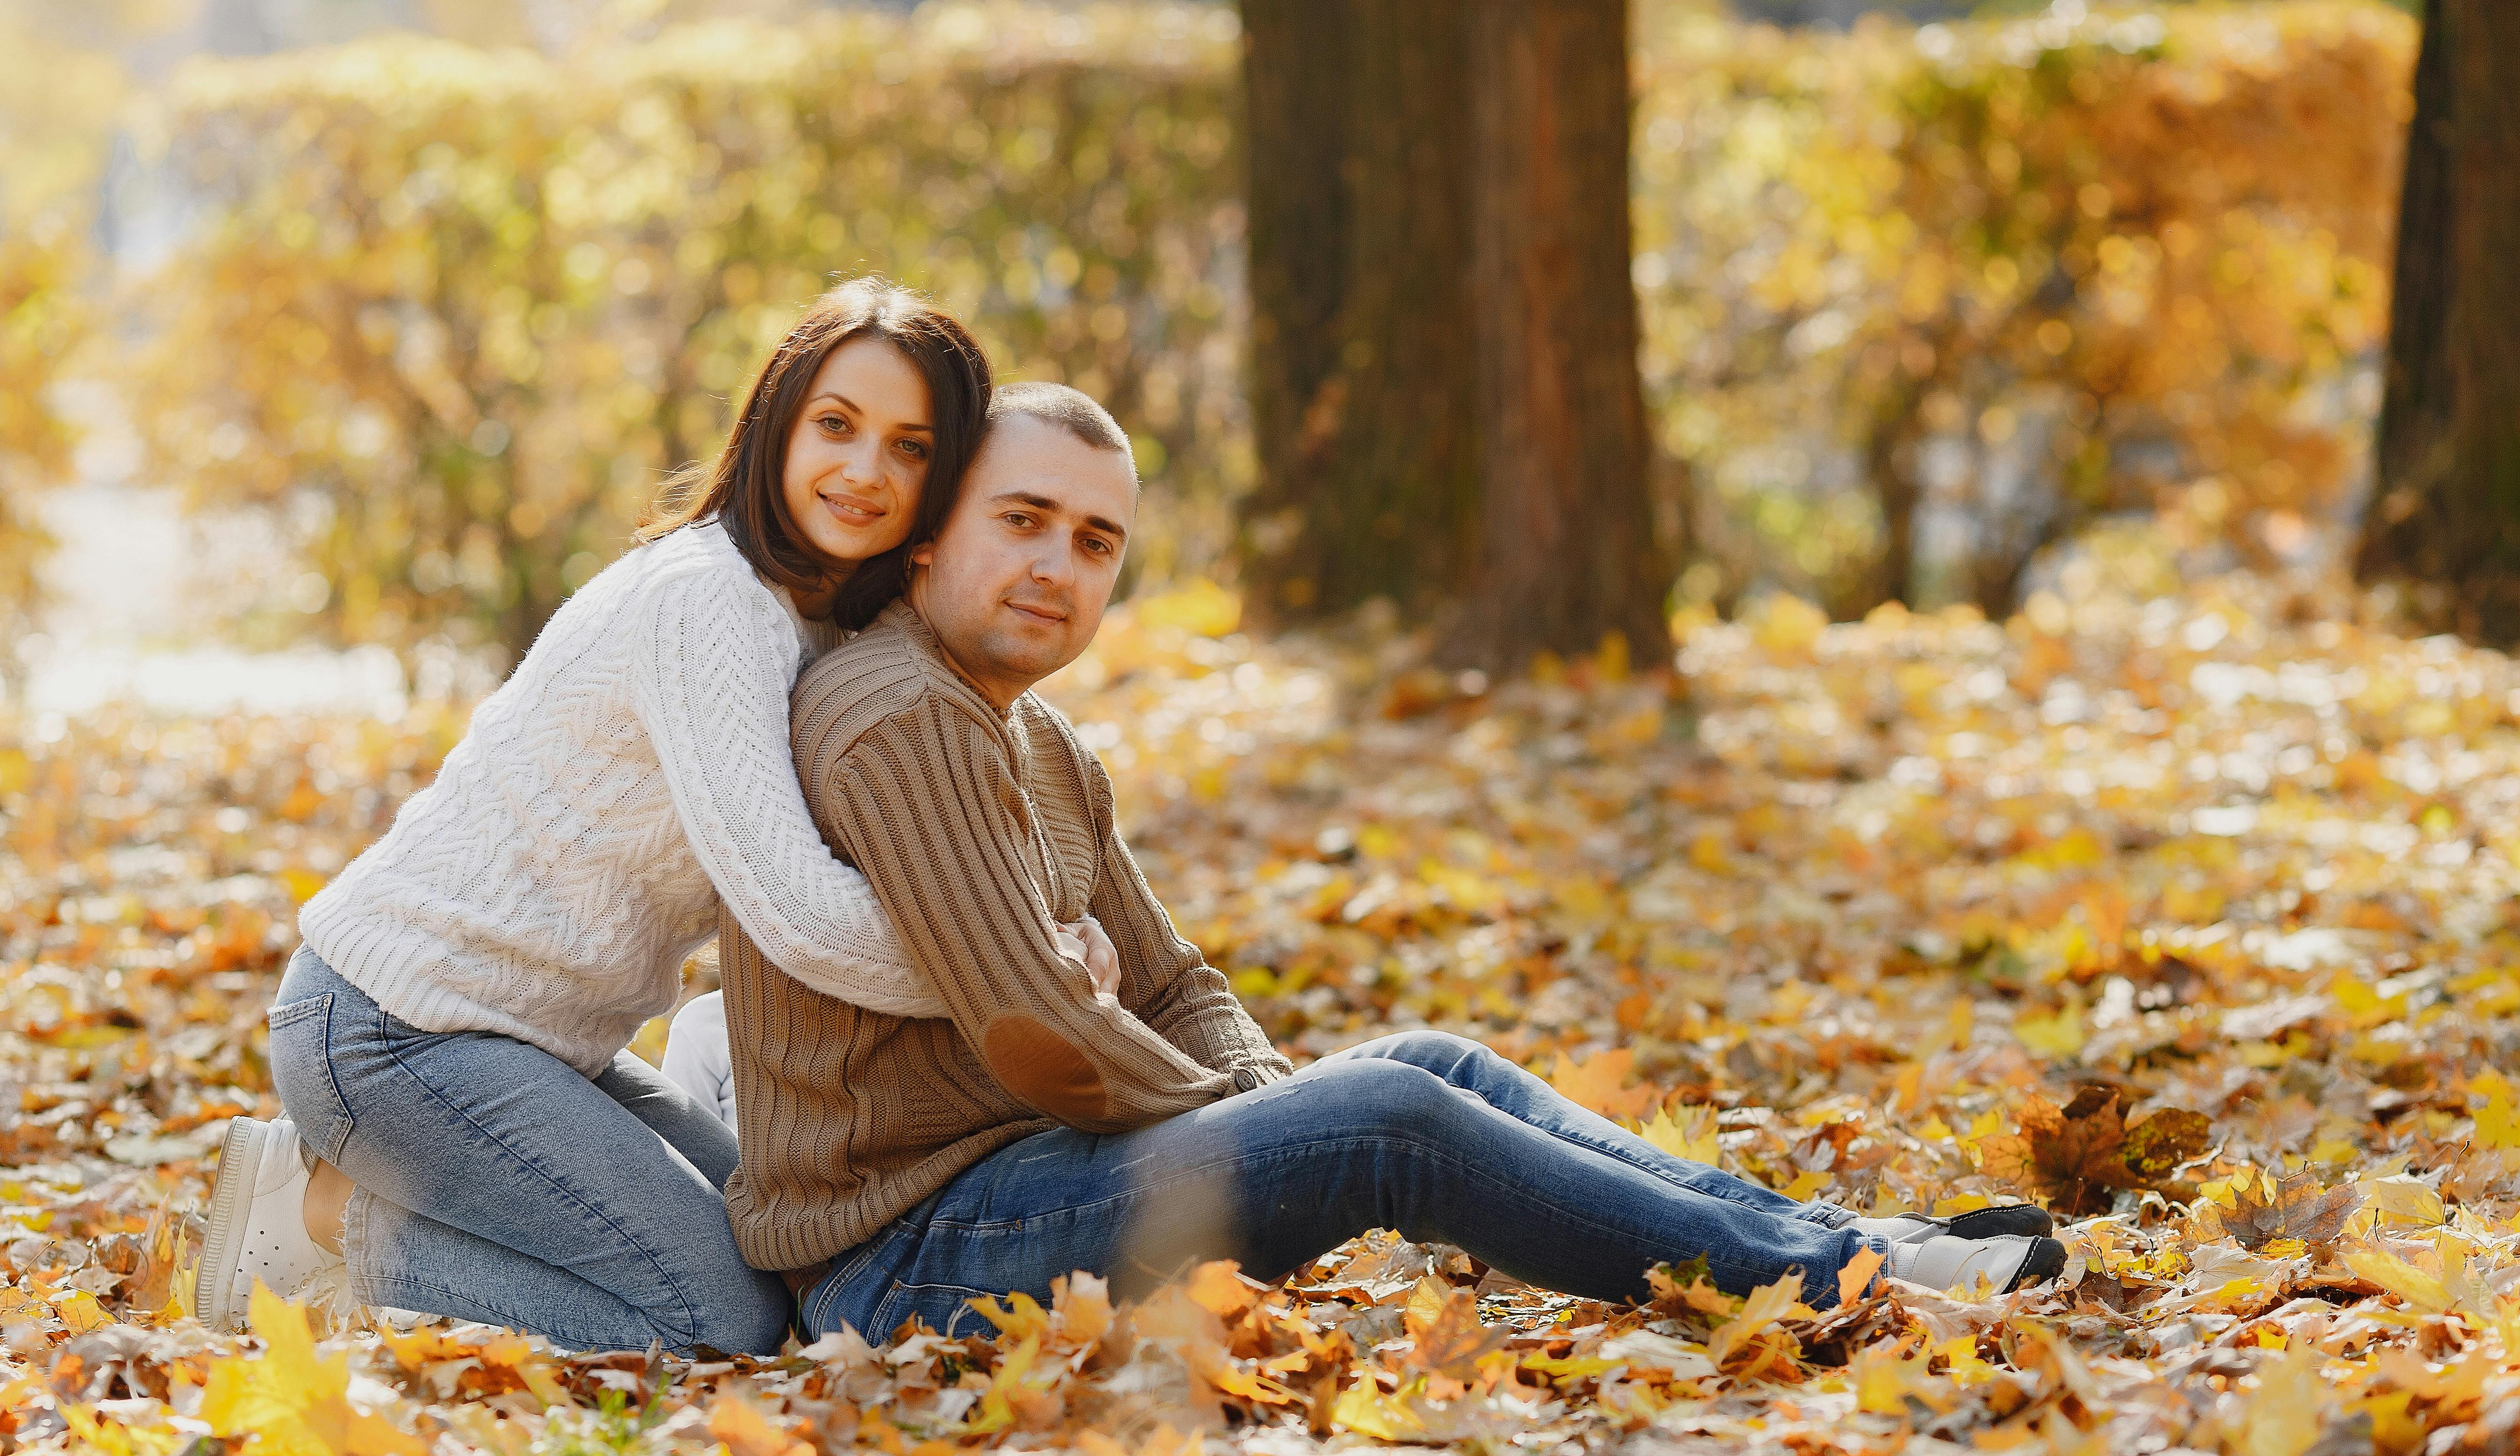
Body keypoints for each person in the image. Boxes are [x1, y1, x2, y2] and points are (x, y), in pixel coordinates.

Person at [713, 383, 2067, 1345]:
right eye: (1023, 520)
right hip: (907, 1263)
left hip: (1030, 1187)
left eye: (1095, 541)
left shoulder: (1043, 739)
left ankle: (1851, 1244)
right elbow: (1043, 1034)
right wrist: (1278, 1117)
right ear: (934, 531)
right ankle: (1842, 1281)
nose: (1057, 566)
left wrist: (1256, 1097)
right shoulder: (896, 713)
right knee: (1386, 1119)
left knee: (1431, 1065)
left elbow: (1171, 980)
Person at [197, 279, 1062, 1354]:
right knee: (721, 1319)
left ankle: (380, 1207)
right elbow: (797, 916)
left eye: (910, 448)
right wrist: (1020, 977)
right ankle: (326, 1223)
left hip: (542, 1045)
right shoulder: (707, 601)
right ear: (778, 422)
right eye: (837, 426)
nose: (864, 472)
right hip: (392, 1028)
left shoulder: (825, 631)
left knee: (782, 1259)